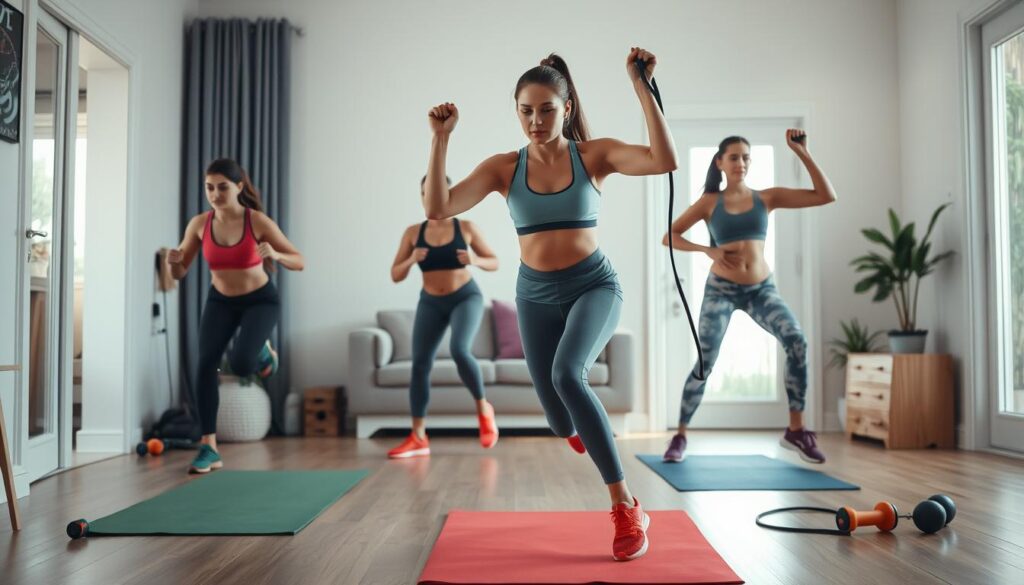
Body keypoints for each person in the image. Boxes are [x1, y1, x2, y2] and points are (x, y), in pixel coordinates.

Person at [421, 48, 677, 561]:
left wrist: (641, 88)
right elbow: (438, 207)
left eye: (546, 109)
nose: (536, 121)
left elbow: (662, 160)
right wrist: (441, 139)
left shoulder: (593, 156)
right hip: (534, 296)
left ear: (567, 109)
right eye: (526, 110)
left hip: (593, 286)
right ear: (517, 112)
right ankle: (578, 427)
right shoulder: (502, 167)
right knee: (561, 422)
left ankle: (626, 507)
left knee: (567, 375)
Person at [661, 130, 837, 464]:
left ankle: (796, 430)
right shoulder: (709, 203)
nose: (740, 162)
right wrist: (707, 250)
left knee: (796, 340)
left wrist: (802, 152)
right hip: (721, 291)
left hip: (761, 290)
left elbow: (825, 195)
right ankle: (680, 435)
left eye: (746, 157)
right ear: (720, 162)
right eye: (734, 157)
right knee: (706, 361)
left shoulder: (766, 198)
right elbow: (669, 236)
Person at [167, 158, 304, 474]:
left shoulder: (257, 222)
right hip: (221, 301)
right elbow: (179, 273)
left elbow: (299, 260)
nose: (214, 194)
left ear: (240, 187)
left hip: (260, 301)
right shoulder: (199, 224)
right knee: (206, 365)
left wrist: (277, 255)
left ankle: (265, 355)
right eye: (209, 187)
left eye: (222, 187)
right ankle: (209, 446)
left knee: (242, 364)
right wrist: (174, 263)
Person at [387, 175, 500, 458]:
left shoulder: (467, 228)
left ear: (448, 195)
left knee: (459, 350)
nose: (431, 198)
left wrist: (475, 260)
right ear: (422, 196)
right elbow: (395, 275)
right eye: (425, 193)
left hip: (465, 296)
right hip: (431, 302)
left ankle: (483, 409)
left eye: (436, 192)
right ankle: (418, 437)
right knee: (420, 364)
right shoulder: (413, 233)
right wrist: (412, 259)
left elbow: (494, 262)